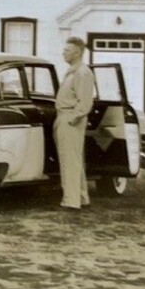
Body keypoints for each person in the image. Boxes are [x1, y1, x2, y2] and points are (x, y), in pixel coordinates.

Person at [55, 36, 96, 210]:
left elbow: (85, 100)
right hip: (64, 116)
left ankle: (71, 201)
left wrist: (76, 116)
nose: (63, 53)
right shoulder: (73, 71)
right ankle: (80, 196)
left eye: (67, 50)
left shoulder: (82, 72)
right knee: (73, 159)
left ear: (77, 52)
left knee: (69, 160)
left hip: (71, 118)